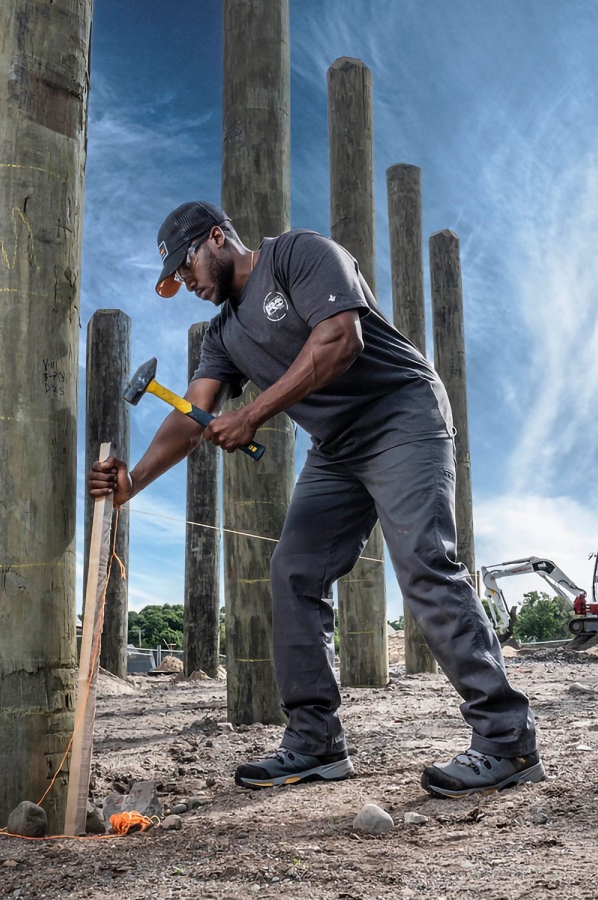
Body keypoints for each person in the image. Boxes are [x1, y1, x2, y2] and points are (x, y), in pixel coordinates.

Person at [88, 201, 545, 798]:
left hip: (401, 413)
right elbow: (193, 416)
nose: (189, 284)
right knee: (294, 571)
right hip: (338, 447)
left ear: (217, 239)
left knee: (424, 565)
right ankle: (315, 744)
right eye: (176, 278)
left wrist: (251, 412)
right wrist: (132, 482)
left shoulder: (300, 255)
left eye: (188, 266)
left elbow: (340, 340)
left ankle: (507, 741)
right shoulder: (225, 335)